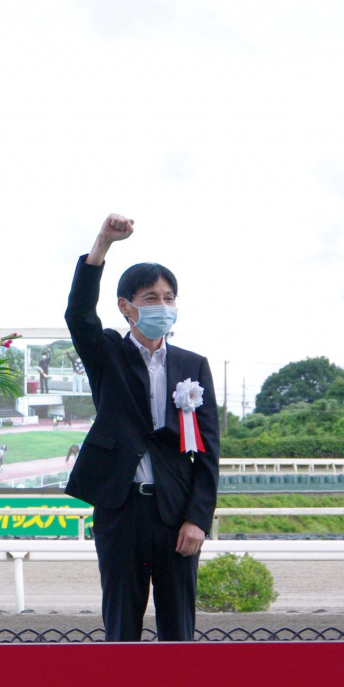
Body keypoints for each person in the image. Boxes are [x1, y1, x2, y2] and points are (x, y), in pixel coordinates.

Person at [63, 214, 219, 642]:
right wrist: (101, 246)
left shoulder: (192, 365)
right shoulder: (107, 353)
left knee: (178, 631)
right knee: (121, 628)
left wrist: (198, 519)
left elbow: (207, 451)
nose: (162, 306)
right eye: (151, 297)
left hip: (176, 515)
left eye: (169, 297)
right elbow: (78, 314)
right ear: (126, 306)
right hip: (121, 509)